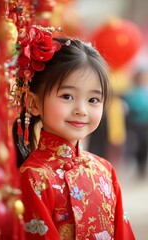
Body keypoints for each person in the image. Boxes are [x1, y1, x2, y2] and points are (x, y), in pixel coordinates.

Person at [12, 26, 135, 240]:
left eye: (93, 100)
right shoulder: (33, 177)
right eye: (67, 96)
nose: (82, 109)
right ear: (33, 103)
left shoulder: (105, 169)